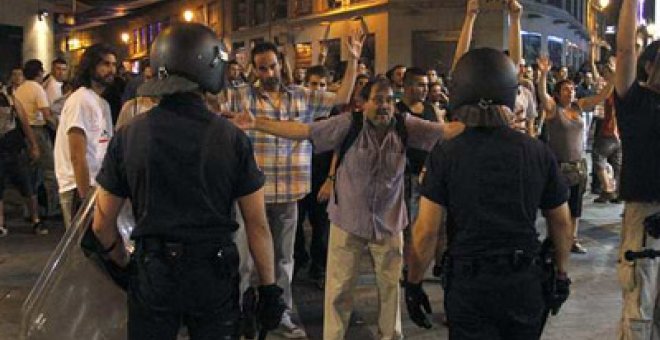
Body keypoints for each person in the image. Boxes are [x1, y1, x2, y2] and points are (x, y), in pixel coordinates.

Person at [90, 23, 285, 340]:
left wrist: (123, 263)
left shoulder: (128, 136)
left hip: (154, 274)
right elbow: (257, 224)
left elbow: (101, 223)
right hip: (213, 276)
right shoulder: (232, 138)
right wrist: (269, 288)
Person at [232, 77, 464, 339]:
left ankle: (390, 336)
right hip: (348, 222)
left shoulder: (404, 125)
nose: (384, 106)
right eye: (378, 99)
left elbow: (444, 131)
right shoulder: (348, 124)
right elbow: (304, 130)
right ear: (363, 103)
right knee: (339, 290)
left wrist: (490, 121)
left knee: (389, 289)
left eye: (389, 100)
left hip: (389, 223)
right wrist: (256, 123)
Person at [405, 47, 573, 339]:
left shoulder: (446, 154)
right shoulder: (537, 152)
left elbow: (426, 230)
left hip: (471, 284)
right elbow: (560, 220)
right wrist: (561, 273)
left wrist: (414, 282)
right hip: (524, 280)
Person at [221, 32, 365, 338]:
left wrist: (352, 59)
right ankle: (244, 313)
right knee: (245, 260)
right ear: (254, 70)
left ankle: (280, 314)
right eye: (261, 68)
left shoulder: (301, 95)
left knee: (284, 258)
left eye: (272, 66)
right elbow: (213, 101)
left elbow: (340, 97)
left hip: (288, 189)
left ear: (281, 64)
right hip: (250, 194)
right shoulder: (240, 96)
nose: (268, 73)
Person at [614, 0, 660, 337]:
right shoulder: (635, 102)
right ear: (649, 67)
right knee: (640, 306)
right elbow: (625, 50)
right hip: (644, 215)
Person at [537, 55, 613, 254]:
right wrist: (544, 74)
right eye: (565, 89)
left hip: (578, 166)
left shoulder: (578, 106)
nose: (570, 92)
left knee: (576, 206)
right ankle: (555, 238)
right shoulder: (553, 109)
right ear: (558, 93)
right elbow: (542, 94)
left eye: (571, 89)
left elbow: (602, 96)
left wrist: (612, 79)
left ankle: (572, 239)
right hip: (559, 166)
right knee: (557, 205)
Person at [54, 44, 116, 229]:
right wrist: (84, 198)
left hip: (97, 187)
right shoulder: (80, 100)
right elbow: (77, 155)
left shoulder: (102, 103)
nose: (111, 70)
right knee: (82, 253)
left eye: (113, 65)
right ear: (90, 67)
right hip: (79, 188)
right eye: (105, 64)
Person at [13, 59, 55, 234]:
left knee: (29, 174)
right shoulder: (37, 89)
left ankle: (29, 210)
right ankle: (50, 209)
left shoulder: (20, 88)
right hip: (36, 131)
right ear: (39, 73)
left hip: (21, 132)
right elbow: (46, 115)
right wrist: (58, 126)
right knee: (49, 171)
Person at [0, 91, 41, 237]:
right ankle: (1, 224)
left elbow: (25, 124)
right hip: (6, 149)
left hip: (15, 150)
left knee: (27, 186)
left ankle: (35, 219)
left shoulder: (11, 101)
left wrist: (33, 145)